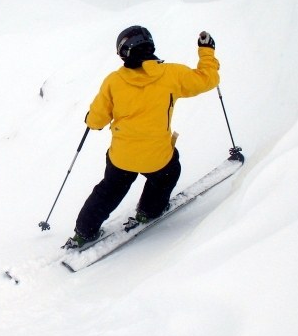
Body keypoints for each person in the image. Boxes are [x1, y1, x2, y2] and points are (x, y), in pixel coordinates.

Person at [65, 26, 220, 249]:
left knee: (109, 190)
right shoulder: (172, 74)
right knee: (167, 174)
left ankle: (84, 232)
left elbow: (96, 122)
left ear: (122, 53)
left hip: (121, 157)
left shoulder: (114, 81)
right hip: (158, 156)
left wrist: (91, 118)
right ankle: (149, 212)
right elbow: (207, 78)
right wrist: (207, 52)